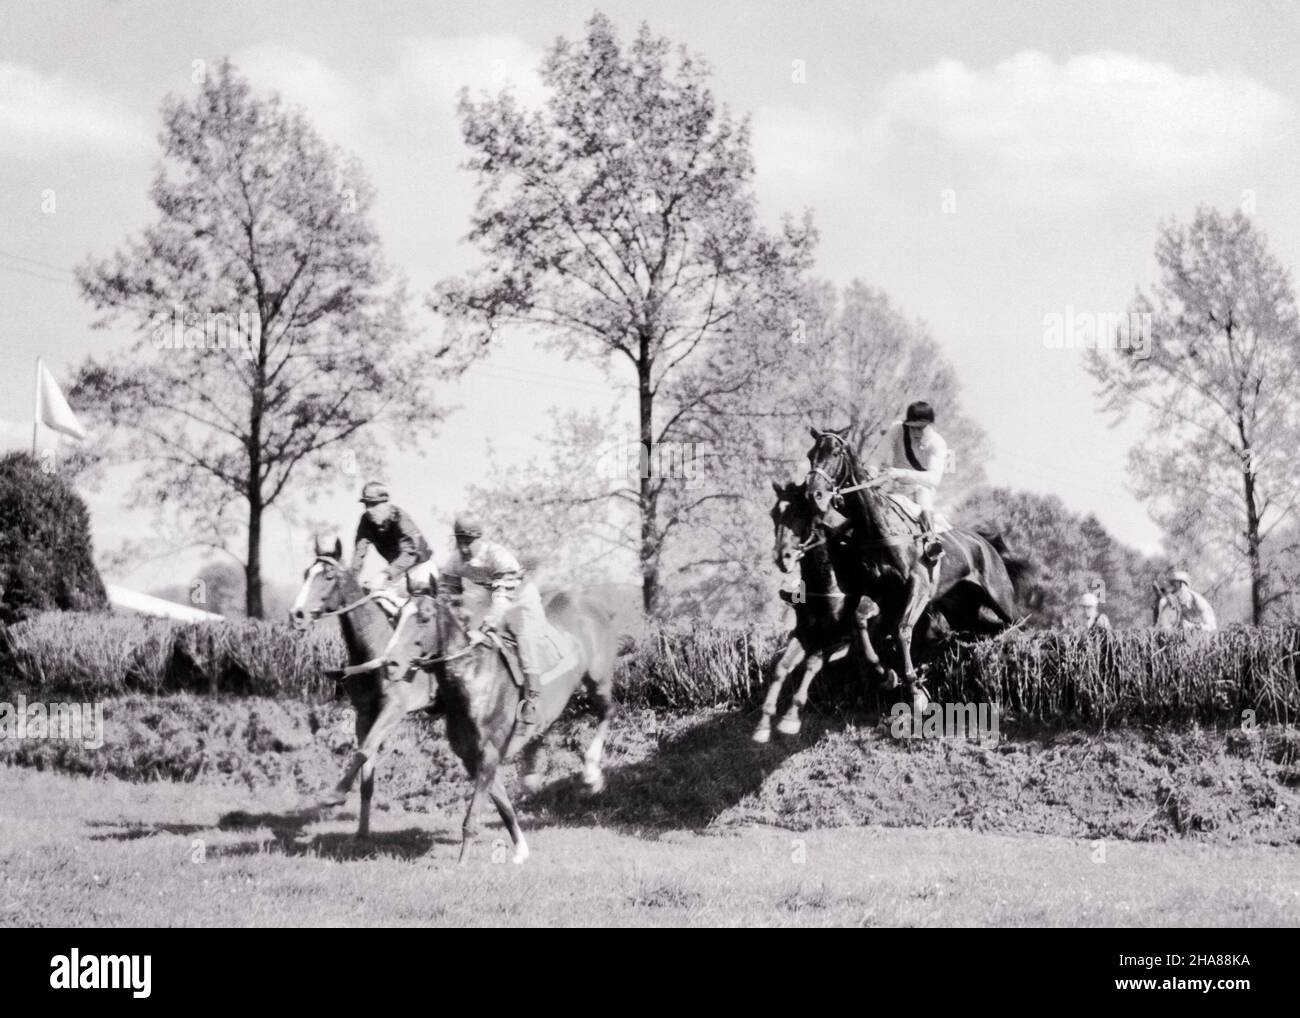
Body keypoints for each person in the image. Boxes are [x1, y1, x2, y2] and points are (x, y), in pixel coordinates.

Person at [440, 513, 551, 730]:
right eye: (460, 541)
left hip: (520, 599)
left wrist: (488, 625)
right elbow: (448, 596)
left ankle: (532, 700)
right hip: (490, 598)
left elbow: (503, 598)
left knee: (526, 641)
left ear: (478, 539)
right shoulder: (455, 561)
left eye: (468, 542)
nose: (463, 548)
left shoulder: (498, 555)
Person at [348, 482, 434, 600]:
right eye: (366, 505)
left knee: (419, 607)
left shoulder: (400, 518)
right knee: (378, 600)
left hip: (420, 568)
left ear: (385, 503)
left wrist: (385, 574)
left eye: (373, 504)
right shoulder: (365, 521)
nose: (368, 510)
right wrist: (350, 581)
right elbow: (358, 554)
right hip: (397, 573)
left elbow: (410, 553)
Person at [880, 400, 948, 536]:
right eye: (912, 427)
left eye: (921, 428)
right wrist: (872, 471)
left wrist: (901, 473)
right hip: (893, 487)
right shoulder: (897, 429)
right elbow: (878, 455)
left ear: (930, 425)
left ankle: (930, 540)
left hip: (920, 491)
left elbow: (934, 479)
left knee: (924, 496)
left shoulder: (938, 443)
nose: (916, 432)